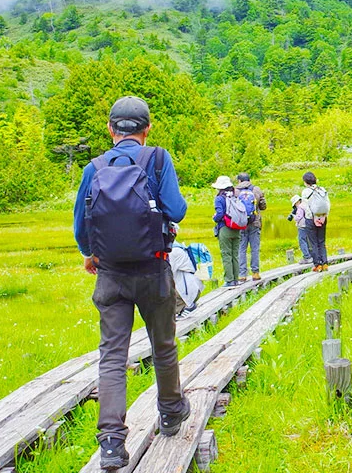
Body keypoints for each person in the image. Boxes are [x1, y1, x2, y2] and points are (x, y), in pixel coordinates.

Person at [73, 96, 190, 469]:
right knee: (163, 345)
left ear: (110, 129)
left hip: (110, 275)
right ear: (147, 128)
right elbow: (177, 210)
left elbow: (81, 223)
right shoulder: (158, 159)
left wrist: (90, 252)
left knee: (112, 355)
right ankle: (171, 412)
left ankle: (110, 442)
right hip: (154, 270)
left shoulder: (95, 166)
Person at [235, 173, 267, 282]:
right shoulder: (256, 189)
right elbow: (263, 206)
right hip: (255, 223)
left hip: (241, 224)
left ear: (239, 181)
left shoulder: (235, 191)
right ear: (249, 180)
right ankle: (255, 273)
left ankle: (242, 274)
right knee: (255, 249)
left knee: (241, 248)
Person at [212, 175, 241, 287]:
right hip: (236, 228)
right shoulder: (235, 195)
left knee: (226, 254)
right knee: (235, 254)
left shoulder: (219, 198)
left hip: (225, 228)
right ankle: (236, 279)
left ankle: (229, 280)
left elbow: (220, 214)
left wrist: (214, 218)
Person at [301, 172, 329, 272]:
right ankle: (325, 263)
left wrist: (313, 218)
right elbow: (327, 204)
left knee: (313, 242)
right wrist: (324, 216)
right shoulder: (322, 190)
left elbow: (306, 207)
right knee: (321, 241)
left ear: (305, 182)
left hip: (311, 219)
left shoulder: (306, 192)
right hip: (323, 218)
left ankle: (318, 265)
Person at [288, 194, 313, 264]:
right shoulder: (306, 205)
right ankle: (311, 255)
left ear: (297, 202)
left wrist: (293, 216)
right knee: (308, 241)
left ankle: (307, 257)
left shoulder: (300, 207)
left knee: (302, 241)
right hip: (308, 225)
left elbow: (299, 217)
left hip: (302, 226)